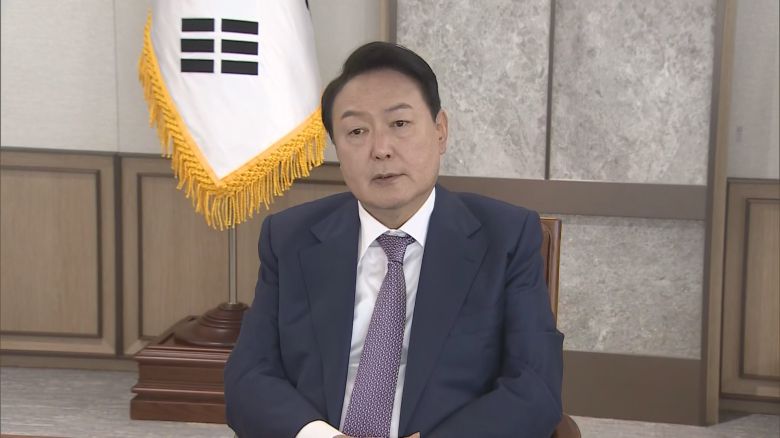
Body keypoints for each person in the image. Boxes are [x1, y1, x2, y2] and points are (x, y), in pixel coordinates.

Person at [224, 41, 563, 438]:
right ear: (337, 148)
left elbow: (534, 387)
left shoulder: (506, 237)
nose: (381, 150)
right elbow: (249, 376)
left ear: (440, 131)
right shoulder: (290, 238)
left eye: (400, 124)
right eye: (356, 131)